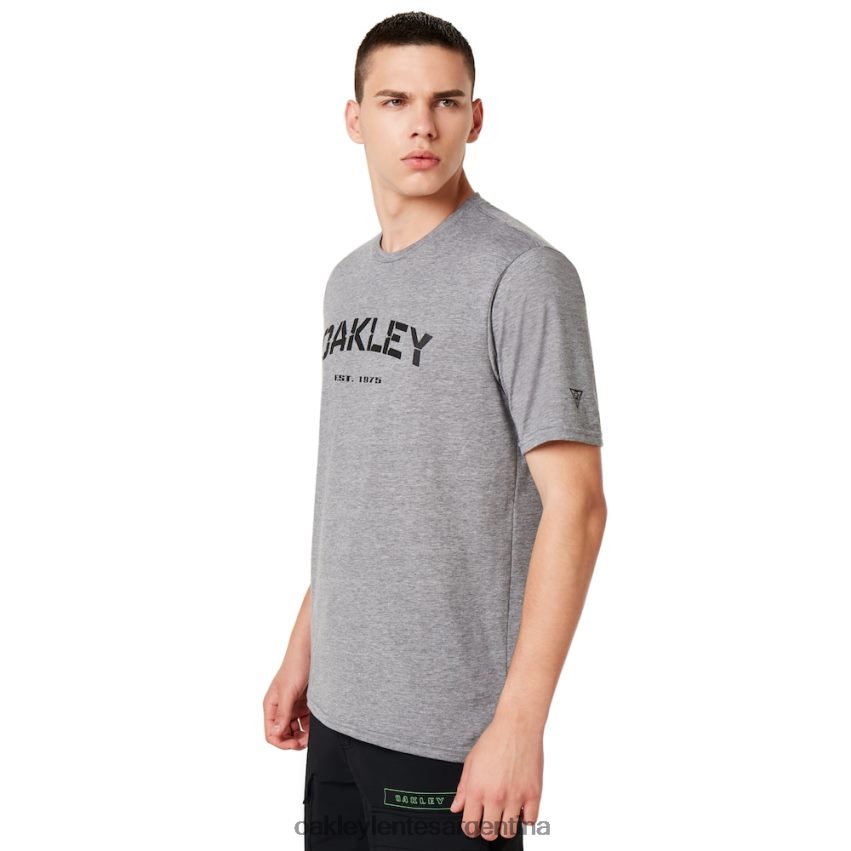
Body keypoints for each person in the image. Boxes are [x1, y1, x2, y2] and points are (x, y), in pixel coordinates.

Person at [263, 11, 607, 849]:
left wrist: (519, 723)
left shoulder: (522, 275)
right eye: (394, 101)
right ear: (355, 119)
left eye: (445, 101)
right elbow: (363, 482)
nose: (421, 124)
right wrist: (303, 644)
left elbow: (578, 506)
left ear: (474, 118)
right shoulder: (346, 281)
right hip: (338, 709)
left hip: (449, 729)